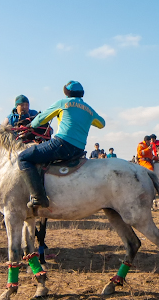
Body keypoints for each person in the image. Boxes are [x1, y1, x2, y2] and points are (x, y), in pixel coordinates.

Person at [18, 80, 105, 211]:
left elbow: (40, 120)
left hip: (61, 144)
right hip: (78, 150)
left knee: (23, 158)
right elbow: (102, 124)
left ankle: (38, 197)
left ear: (66, 92)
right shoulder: (89, 109)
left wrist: (30, 125)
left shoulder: (62, 103)